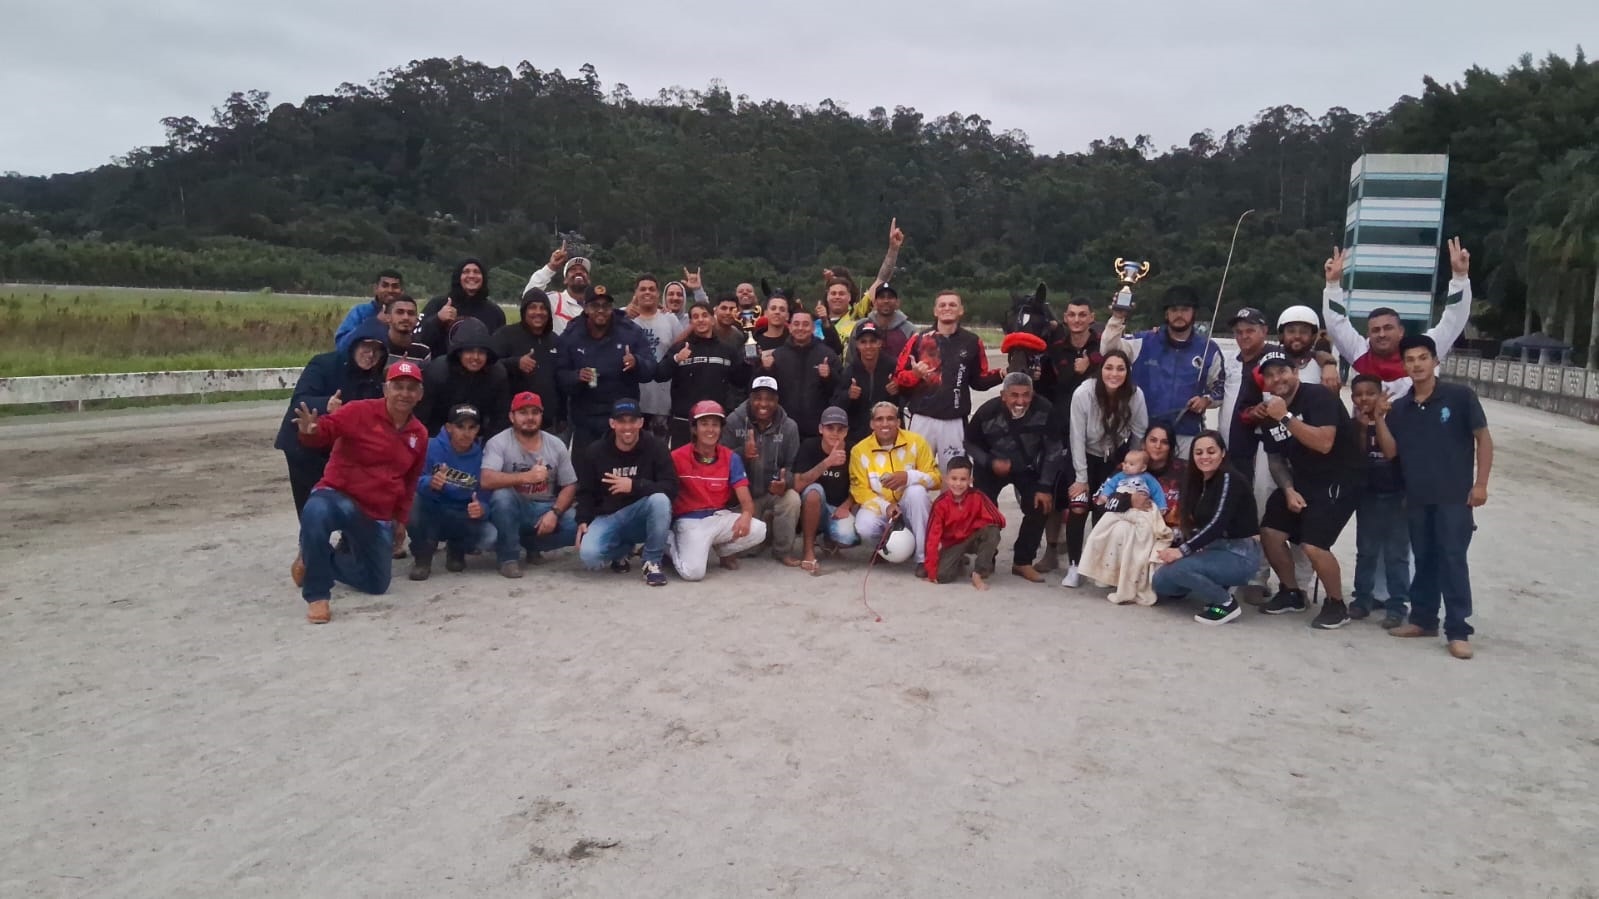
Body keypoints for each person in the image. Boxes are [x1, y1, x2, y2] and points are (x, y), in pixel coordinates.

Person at [1374, 334, 1493, 660]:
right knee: (1424, 558)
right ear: (1404, 365)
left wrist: (1481, 484)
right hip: (1417, 496)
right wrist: (1379, 418)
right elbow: (1391, 451)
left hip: (1454, 496)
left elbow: (1483, 439)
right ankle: (1423, 619)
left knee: (1452, 559)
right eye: (1410, 360)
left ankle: (1458, 630)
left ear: (1435, 361)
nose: (1417, 365)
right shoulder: (1401, 408)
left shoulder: (1459, 397)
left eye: (1423, 358)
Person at [289, 360, 429, 624]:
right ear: (386, 389)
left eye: (411, 388)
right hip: (339, 495)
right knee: (315, 511)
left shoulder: (419, 434)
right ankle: (318, 596)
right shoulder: (358, 411)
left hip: (376, 512)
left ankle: (313, 558)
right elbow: (326, 430)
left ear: (420, 395)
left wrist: (401, 520)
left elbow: (410, 482)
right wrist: (310, 432)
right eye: (398, 386)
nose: (404, 393)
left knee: (376, 583)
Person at [1255, 349, 1366, 628]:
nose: (1277, 379)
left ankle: (1336, 604)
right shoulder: (1270, 412)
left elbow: (1324, 443)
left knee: (1314, 545)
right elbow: (1276, 460)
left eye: (1282, 371)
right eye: (1270, 375)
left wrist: (1285, 417)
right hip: (1303, 479)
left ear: (1295, 372)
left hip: (1340, 478)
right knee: (1269, 531)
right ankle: (1291, 592)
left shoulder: (1318, 396)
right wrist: (1288, 489)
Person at [1322, 239, 1473, 398]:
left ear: (1401, 331)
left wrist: (1460, 278)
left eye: (1388, 328)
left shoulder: (1423, 349)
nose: (1382, 334)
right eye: (1376, 330)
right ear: (1368, 334)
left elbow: (1453, 321)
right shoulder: (1359, 351)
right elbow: (1336, 324)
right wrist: (1332, 284)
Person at [276, 319, 390, 516]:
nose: (371, 355)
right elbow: (299, 401)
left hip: (341, 448)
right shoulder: (324, 363)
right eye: (366, 347)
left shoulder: (377, 378)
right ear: (355, 343)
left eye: (377, 350)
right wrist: (326, 405)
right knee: (311, 506)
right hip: (303, 447)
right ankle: (310, 534)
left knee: (350, 502)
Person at [1152, 430, 1263, 625]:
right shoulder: (1199, 481)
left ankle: (1225, 603)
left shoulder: (1229, 478)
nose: (1204, 457)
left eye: (1211, 451)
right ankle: (1214, 584)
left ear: (1223, 453)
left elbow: (1217, 523)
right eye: (1199, 452)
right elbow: (1197, 525)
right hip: (1213, 548)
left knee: (1177, 569)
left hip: (1240, 554)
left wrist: (1181, 551)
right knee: (1160, 582)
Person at [1100, 284, 1224, 456]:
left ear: (1194, 312)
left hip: (1186, 434)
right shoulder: (1144, 341)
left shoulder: (1209, 349)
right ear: (1166, 314)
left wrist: (1206, 400)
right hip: (1144, 433)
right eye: (1174, 310)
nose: (1179, 314)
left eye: (1185, 309)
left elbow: (1220, 388)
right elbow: (1107, 350)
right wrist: (1117, 317)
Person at [963, 372, 1063, 583]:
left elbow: (1053, 449)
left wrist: (1045, 486)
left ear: (1032, 394)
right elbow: (969, 443)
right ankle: (986, 558)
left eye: (1026, 395)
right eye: (1014, 395)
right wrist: (990, 462)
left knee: (1040, 504)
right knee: (984, 509)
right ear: (1003, 396)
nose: (1020, 401)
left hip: (1027, 468)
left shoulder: (1045, 410)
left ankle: (1022, 561)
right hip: (990, 467)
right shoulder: (987, 411)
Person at [1062, 350, 1149, 587]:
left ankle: (1099, 565)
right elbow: (1076, 436)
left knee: (1105, 508)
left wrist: (1133, 466)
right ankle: (1074, 565)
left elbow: (1139, 432)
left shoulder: (1135, 395)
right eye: (1109, 368)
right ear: (1100, 370)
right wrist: (1081, 478)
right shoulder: (1084, 393)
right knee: (1078, 506)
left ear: (1128, 372)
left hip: (1115, 457)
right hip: (1084, 455)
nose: (1114, 374)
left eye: (1121, 369)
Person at [573, 398, 679, 586]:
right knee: (590, 557)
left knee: (660, 500)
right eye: (621, 421)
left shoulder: (656, 447)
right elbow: (585, 491)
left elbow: (671, 487)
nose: (627, 427)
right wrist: (583, 519)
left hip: (641, 515)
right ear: (612, 423)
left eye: (632, 421)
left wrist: (634, 486)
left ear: (641, 422)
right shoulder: (595, 451)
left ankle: (652, 562)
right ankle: (623, 551)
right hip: (608, 516)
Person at [895, 290, 1004, 466]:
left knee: (955, 474)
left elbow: (979, 380)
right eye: (942, 305)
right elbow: (898, 377)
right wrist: (914, 375)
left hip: (954, 421)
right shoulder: (918, 340)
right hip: (922, 419)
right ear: (935, 311)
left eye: (952, 305)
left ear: (961, 310)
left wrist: (1002, 374)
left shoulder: (972, 341)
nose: (947, 308)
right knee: (916, 473)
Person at [666, 401, 768, 581]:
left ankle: (722, 550)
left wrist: (746, 516)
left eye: (715, 425)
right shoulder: (676, 457)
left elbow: (746, 502)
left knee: (759, 529)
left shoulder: (731, 457)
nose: (710, 430)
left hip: (719, 517)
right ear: (694, 429)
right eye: (704, 424)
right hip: (690, 521)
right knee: (694, 573)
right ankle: (667, 542)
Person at [482, 392, 579, 578]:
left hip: (545, 507)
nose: (529, 418)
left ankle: (531, 545)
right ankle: (508, 559)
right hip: (514, 507)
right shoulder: (498, 442)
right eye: (523, 412)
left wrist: (555, 513)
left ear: (541, 415)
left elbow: (570, 484)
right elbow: (486, 479)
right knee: (502, 497)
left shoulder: (556, 444)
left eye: (535, 412)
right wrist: (526, 477)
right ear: (512, 416)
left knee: (579, 524)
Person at [556, 284, 657, 448]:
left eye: (606, 306)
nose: (601, 311)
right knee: (585, 464)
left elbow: (651, 369)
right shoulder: (571, 334)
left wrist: (636, 362)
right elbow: (559, 375)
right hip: (585, 421)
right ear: (586, 308)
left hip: (622, 420)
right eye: (595, 306)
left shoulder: (630, 331)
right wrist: (576, 376)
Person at [850, 401, 943, 576]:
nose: (885, 424)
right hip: (882, 508)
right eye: (879, 419)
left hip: (909, 508)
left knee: (917, 492)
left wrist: (908, 477)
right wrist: (886, 506)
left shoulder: (916, 442)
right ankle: (885, 550)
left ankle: (923, 558)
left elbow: (936, 479)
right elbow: (860, 491)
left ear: (898, 422)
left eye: (890, 418)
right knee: (864, 526)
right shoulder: (859, 451)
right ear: (872, 424)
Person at [1348, 373, 1411, 628]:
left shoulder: (1397, 419)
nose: (1364, 398)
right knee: (1366, 551)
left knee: (1396, 554)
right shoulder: (1354, 424)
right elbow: (1357, 457)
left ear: (1381, 394)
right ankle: (1362, 599)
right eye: (1358, 394)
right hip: (1368, 495)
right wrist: (1363, 427)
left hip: (1397, 494)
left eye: (1370, 393)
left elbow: (1391, 451)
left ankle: (1397, 605)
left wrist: (1379, 420)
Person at [406, 404, 493, 580]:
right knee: (412, 502)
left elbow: (486, 497)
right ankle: (422, 556)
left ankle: (456, 548)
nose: (466, 433)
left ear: (477, 430)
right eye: (460, 426)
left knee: (491, 536)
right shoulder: (429, 447)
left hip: (461, 514)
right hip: (432, 509)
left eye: (471, 427)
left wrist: (481, 509)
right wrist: (430, 482)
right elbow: (409, 481)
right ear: (449, 427)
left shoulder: (483, 457)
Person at [1077, 448, 1173, 605]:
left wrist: (1161, 507)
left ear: (1143, 467)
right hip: (1120, 509)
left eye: (1132, 464)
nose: (1126, 466)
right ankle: (1103, 573)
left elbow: (1157, 492)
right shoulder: (1120, 476)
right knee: (1102, 531)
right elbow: (1109, 487)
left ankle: (1132, 581)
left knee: (1143, 537)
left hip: (1142, 510)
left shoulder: (1148, 479)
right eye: (1126, 463)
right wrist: (1105, 496)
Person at [722, 376, 802, 563]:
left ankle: (783, 551)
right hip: (742, 496)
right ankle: (765, 530)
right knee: (745, 551)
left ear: (777, 400)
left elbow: (793, 466)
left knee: (792, 499)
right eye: (758, 398)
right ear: (750, 398)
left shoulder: (790, 427)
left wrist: (785, 482)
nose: (763, 404)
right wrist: (742, 454)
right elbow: (720, 460)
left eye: (769, 399)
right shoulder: (733, 421)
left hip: (772, 493)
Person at [655, 301, 749, 447]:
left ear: (712, 319)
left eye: (705, 315)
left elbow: (740, 381)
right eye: (696, 317)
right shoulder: (680, 348)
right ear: (691, 322)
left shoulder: (727, 351)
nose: (700, 320)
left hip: (714, 423)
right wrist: (676, 359)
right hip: (684, 423)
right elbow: (660, 375)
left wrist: (749, 362)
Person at [793, 406, 861, 574]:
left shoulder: (854, 450)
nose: (835, 433)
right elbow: (798, 485)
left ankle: (828, 539)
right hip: (812, 506)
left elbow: (860, 485)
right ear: (820, 429)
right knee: (814, 491)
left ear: (846, 431)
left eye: (840, 429)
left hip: (838, 509)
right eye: (830, 428)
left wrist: (847, 505)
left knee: (848, 538)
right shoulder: (809, 446)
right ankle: (808, 550)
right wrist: (827, 462)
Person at [490, 288, 565, 439]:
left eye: (543, 308)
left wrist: (562, 417)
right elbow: (488, 365)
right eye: (532, 307)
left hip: (548, 427)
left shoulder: (555, 340)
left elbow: (561, 381)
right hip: (511, 425)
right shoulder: (505, 335)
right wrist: (515, 363)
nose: (538, 312)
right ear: (524, 311)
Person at [418, 318, 511, 437]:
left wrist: (487, 442)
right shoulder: (437, 371)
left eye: (481, 352)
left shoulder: (497, 374)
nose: (476, 357)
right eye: (470, 351)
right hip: (438, 435)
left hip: (478, 436)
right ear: (459, 352)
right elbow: (423, 414)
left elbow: (500, 417)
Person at [926, 457, 1006, 590]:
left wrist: (975, 525)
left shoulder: (978, 496)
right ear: (946, 479)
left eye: (963, 479)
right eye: (954, 479)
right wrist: (931, 570)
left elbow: (999, 520)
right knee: (941, 576)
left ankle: (978, 573)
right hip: (953, 543)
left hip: (973, 537)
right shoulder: (940, 504)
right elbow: (932, 537)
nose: (958, 484)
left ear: (970, 480)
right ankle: (959, 560)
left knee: (992, 531)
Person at [762, 309, 840, 438]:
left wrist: (829, 377)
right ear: (790, 327)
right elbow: (766, 391)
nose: (800, 328)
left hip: (817, 430)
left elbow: (839, 391)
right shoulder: (778, 355)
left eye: (805, 324)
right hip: (784, 428)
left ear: (813, 328)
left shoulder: (827, 354)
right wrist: (765, 369)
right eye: (796, 324)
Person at [625, 274, 684, 439]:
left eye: (652, 289)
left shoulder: (670, 319)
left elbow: (679, 352)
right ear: (635, 293)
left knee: (659, 449)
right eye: (643, 289)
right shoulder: (625, 317)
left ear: (658, 294)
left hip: (662, 401)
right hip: (632, 398)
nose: (647, 292)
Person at [834, 320, 902, 447]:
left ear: (880, 343)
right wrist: (848, 395)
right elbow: (836, 403)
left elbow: (905, 401)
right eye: (863, 342)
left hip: (888, 434)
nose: (868, 346)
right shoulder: (850, 370)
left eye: (873, 341)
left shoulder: (893, 367)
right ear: (857, 344)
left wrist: (896, 393)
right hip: (857, 438)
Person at [417, 258, 506, 354]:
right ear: (458, 277)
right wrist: (438, 319)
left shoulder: (495, 312)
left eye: (476, 272)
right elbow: (417, 338)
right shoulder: (438, 303)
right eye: (466, 272)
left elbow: (500, 349)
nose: (471, 276)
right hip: (441, 362)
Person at [524, 242, 590, 333]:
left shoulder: (596, 306)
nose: (579, 272)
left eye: (583, 270)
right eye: (573, 270)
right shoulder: (553, 300)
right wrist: (551, 267)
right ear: (565, 280)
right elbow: (528, 295)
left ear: (589, 279)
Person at [334, 269, 404, 352]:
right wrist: (374, 322)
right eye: (385, 285)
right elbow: (341, 346)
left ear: (402, 291)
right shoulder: (360, 312)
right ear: (376, 288)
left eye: (395, 286)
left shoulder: (407, 316)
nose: (390, 290)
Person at [380, 296, 430, 364]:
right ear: (388, 317)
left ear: (417, 319)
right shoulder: (376, 346)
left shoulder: (423, 351)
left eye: (411, 313)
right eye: (400, 312)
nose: (406, 317)